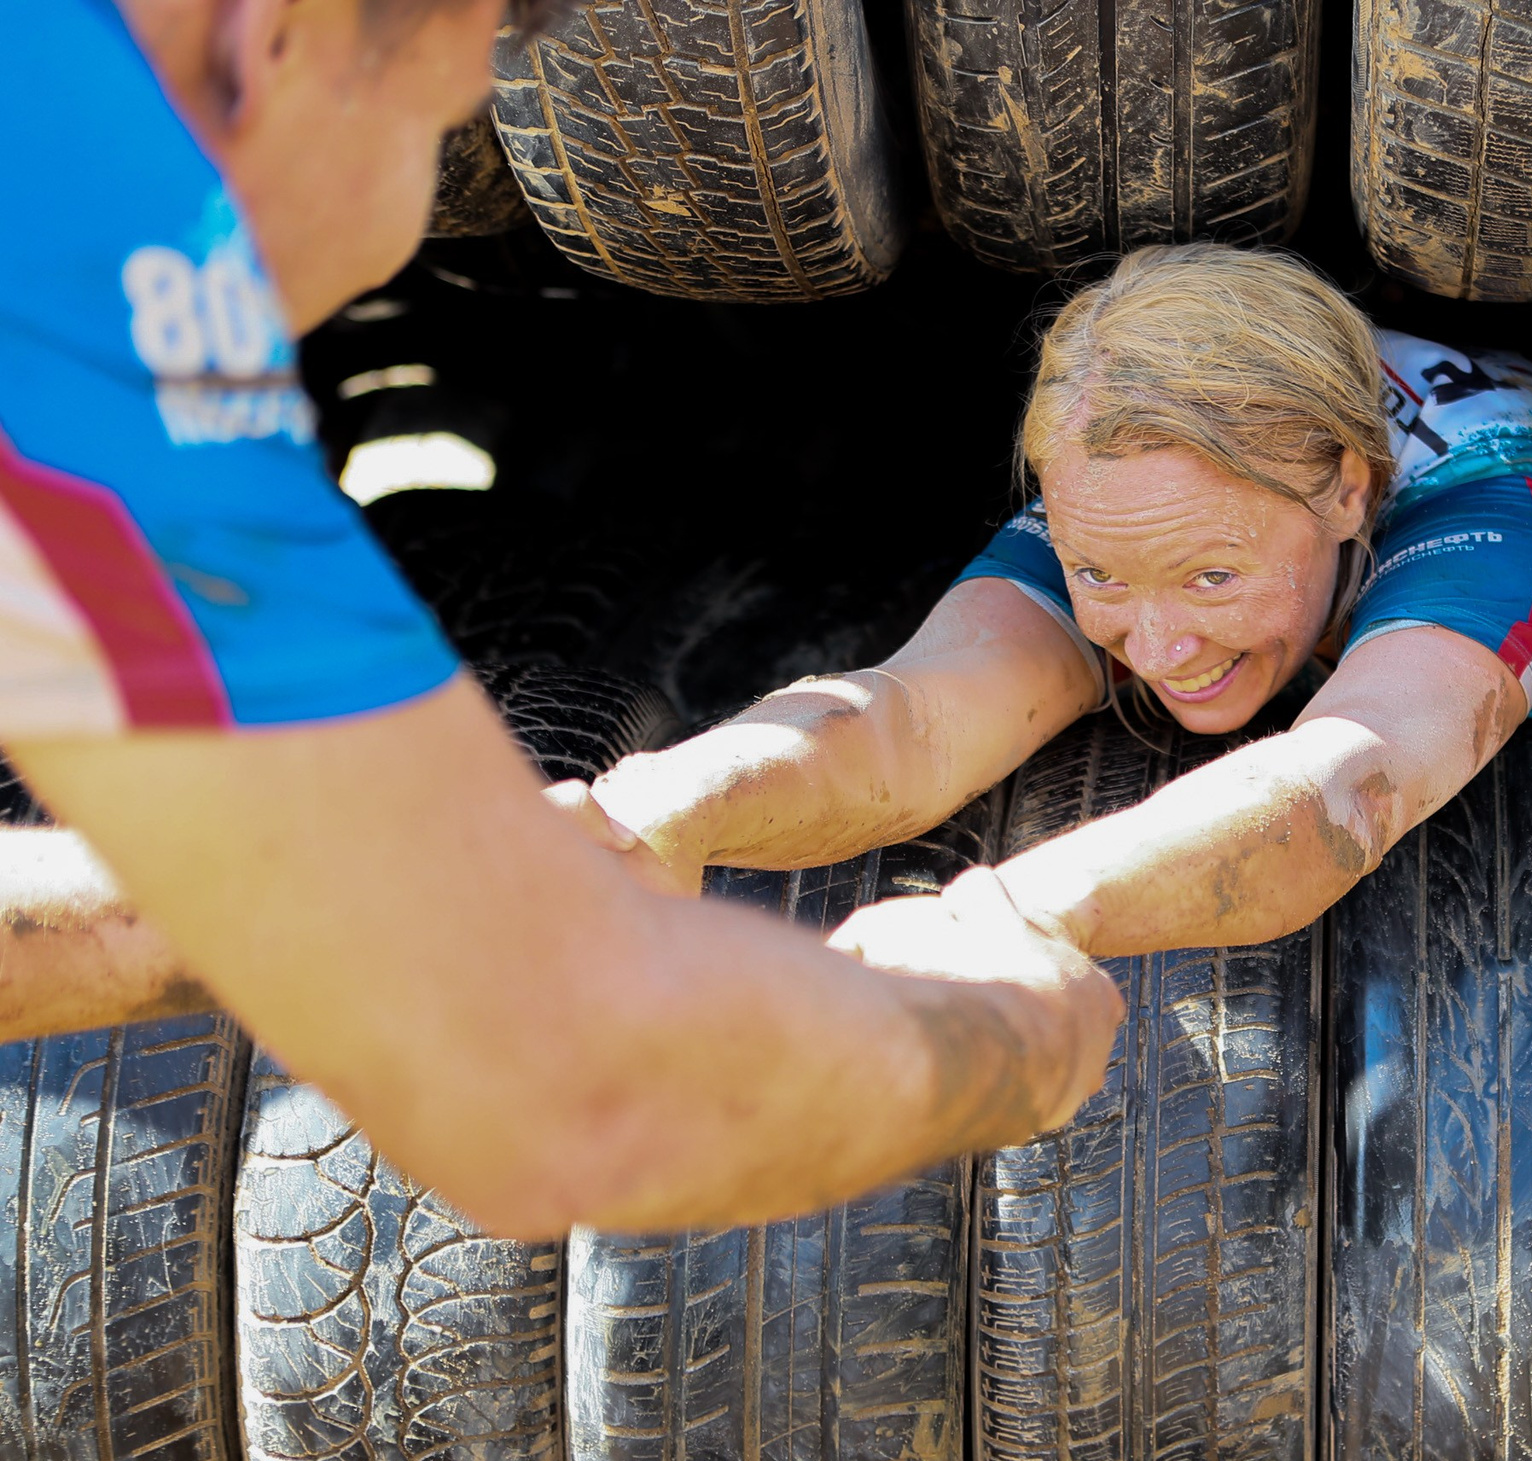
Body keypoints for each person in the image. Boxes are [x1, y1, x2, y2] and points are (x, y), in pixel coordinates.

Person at [0, 0, 1121, 1237]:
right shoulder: (95, 246)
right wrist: (1012, 1039)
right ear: (274, 40)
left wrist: (341, 897)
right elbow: (571, 1087)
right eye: (436, 122)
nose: (409, 215)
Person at [557, 244, 1532, 968]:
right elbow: (908, 719)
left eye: (1215, 579)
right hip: (1457, 415)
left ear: (1346, 491)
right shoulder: (1134, 498)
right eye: (1102, 580)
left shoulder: (1499, 531)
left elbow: (1340, 786)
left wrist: (1010, 916)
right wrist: (657, 807)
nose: (1159, 645)